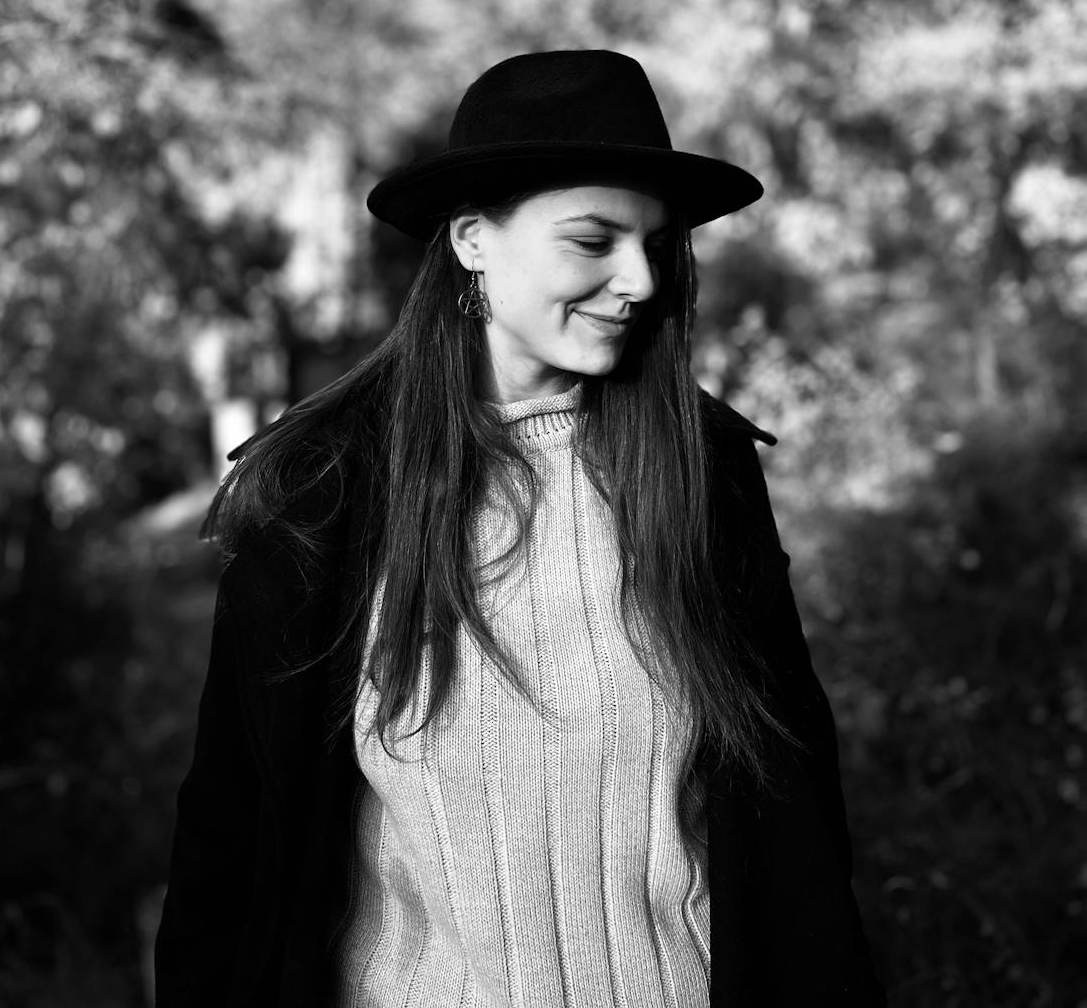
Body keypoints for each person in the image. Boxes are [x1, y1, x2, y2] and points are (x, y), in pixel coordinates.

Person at [155, 49, 886, 1008]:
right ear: (470, 240)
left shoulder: (701, 473)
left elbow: (797, 824)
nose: (639, 281)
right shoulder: (323, 490)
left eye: (656, 245)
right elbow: (234, 845)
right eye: (592, 241)